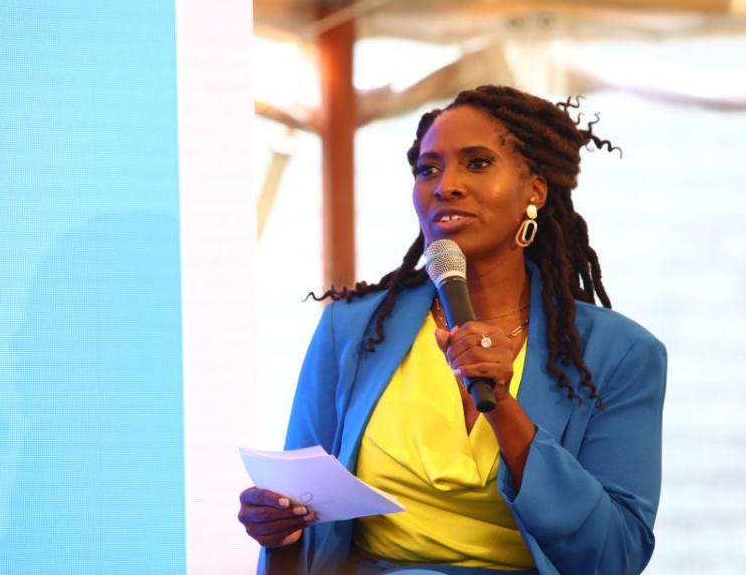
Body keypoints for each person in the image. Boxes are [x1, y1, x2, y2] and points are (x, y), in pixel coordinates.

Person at [237, 85, 667, 574]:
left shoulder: (621, 353)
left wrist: (504, 408)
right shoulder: (353, 329)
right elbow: (304, 517)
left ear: (535, 191)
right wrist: (281, 528)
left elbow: (615, 557)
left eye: (478, 163)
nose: (446, 185)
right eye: (428, 169)